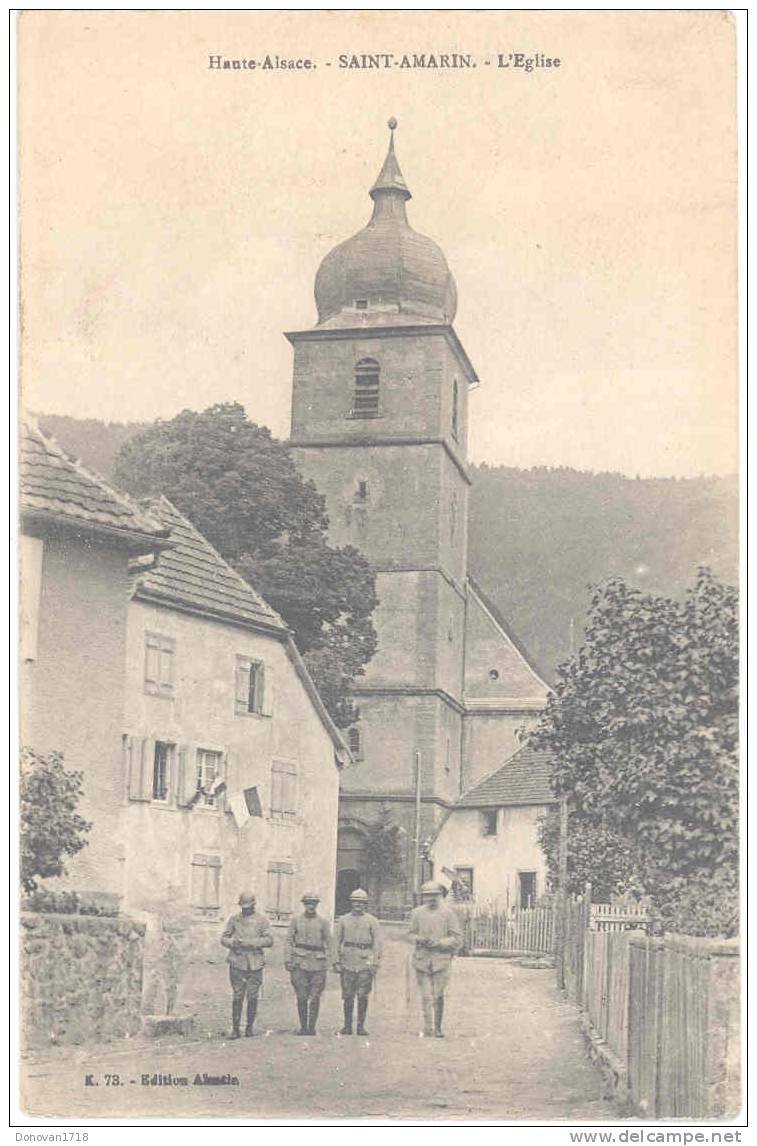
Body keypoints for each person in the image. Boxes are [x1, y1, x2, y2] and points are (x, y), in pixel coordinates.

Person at [408, 880, 462, 1038]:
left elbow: (456, 938)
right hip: (422, 959)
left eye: (434, 896)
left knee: (438, 994)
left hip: (441, 959)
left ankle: (438, 1027)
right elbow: (410, 933)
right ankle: (427, 1027)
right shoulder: (417, 913)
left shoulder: (448, 914)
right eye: (427, 896)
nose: (430, 899)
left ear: (440, 896)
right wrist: (419, 939)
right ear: (423, 897)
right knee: (425, 995)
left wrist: (440, 943)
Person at [220, 891, 274, 1038]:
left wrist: (250, 943)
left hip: (255, 964)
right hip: (237, 962)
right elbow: (224, 938)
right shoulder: (234, 920)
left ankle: (249, 1028)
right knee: (237, 996)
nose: (245, 909)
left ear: (254, 905)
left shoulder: (262, 921)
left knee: (252, 996)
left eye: (248, 907)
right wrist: (232, 942)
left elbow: (269, 940)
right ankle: (236, 1029)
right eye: (243, 907)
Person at [332, 888, 382, 1036]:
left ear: (365, 904)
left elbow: (377, 944)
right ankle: (347, 1026)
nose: (358, 905)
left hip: (365, 962)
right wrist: (336, 961)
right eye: (355, 902)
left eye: (361, 902)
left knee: (362, 995)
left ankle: (361, 1026)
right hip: (347, 960)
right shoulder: (343, 920)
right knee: (347, 995)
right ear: (351, 903)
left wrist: (375, 963)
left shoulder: (372, 921)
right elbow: (336, 942)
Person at [285, 892, 331, 1036]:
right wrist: (288, 959)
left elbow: (330, 942)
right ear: (304, 904)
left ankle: (311, 1027)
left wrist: (329, 961)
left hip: (318, 963)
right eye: (308, 903)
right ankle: (303, 1027)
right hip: (300, 962)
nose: (311, 906)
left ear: (317, 905)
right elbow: (288, 941)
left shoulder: (323, 922)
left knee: (315, 996)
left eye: (313, 903)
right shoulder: (296, 921)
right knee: (301, 996)